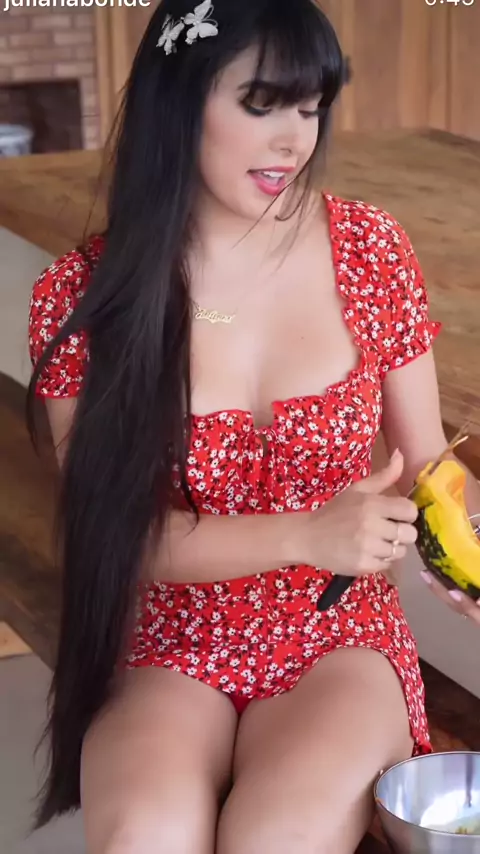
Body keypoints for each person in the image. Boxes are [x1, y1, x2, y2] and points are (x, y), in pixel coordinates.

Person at [26, 1, 480, 852]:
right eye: (262, 103)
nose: (293, 140)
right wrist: (309, 532)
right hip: (168, 636)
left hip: (336, 635)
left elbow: (432, 467)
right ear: (178, 98)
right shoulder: (86, 297)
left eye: (311, 108)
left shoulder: (370, 250)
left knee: (280, 837)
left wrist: (471, 543)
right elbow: (114, 534)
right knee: (145, 836)